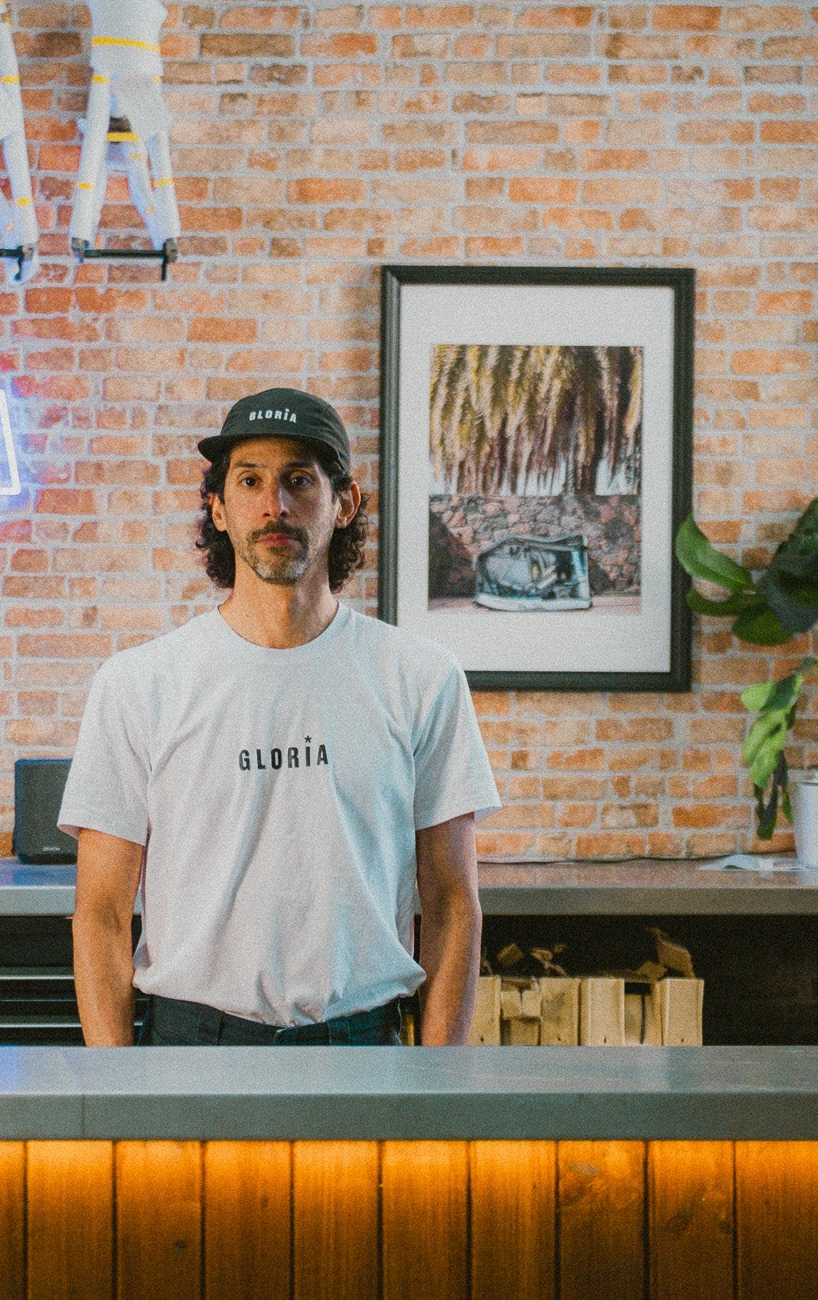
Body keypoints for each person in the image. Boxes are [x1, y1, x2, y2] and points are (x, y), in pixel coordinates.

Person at [60, 387, 498, 1046]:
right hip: (188, 1048)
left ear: (345, 502)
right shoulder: (137, 684)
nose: (275, 504)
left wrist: (438, 1086)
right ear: (217, 504)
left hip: (365, 1047)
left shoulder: (421, 679)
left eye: (299, 480)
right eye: (250, 480)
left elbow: (454, 904)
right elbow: (98, 915)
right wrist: (119, 1089)